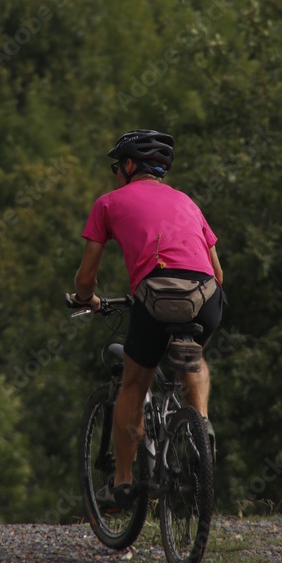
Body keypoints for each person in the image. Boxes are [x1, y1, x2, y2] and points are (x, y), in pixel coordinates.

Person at [71, 129, 224, 509]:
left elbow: (86, 275)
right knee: (192, 353)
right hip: (205, 296)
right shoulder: (188, 202)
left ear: (127, 165)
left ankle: (123, 481)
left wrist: (86, 298)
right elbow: (218, 274)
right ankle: (200, 425)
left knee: (134, 383)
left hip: (155, 295)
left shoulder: (108, 203)